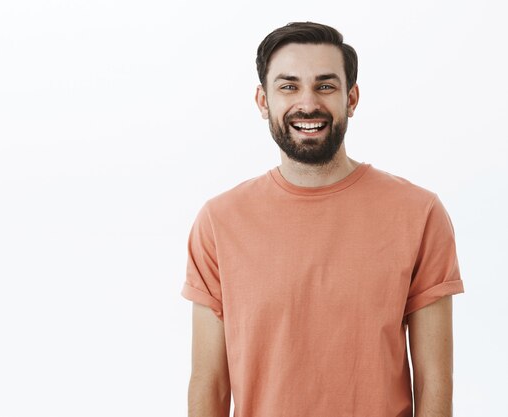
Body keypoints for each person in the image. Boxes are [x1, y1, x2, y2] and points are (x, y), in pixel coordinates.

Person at [180, 22, 465, 417]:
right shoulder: (219, 222)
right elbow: (208, 382)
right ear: (264, 101)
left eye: (325, 86)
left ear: (352, 98)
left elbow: (434, 381)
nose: (308, 103)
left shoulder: (419, 214)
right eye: (289, 86)